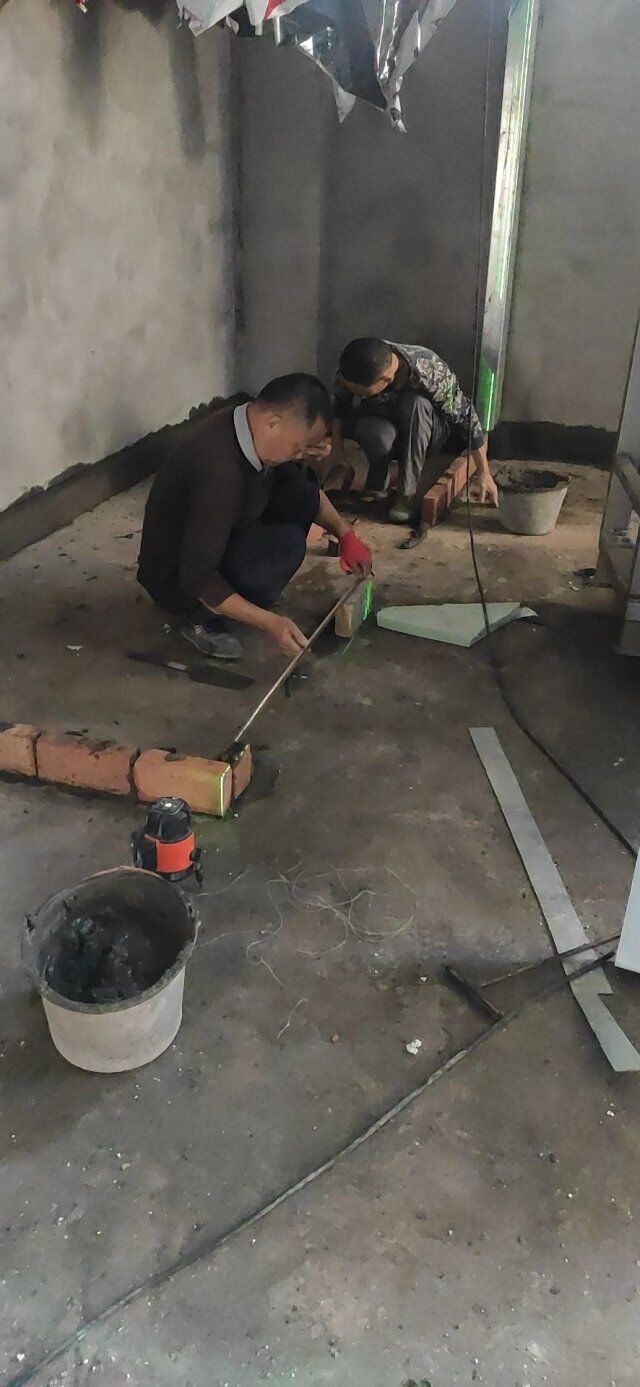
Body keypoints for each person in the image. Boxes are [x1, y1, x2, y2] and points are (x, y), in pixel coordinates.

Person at [137, 374, 373, 661]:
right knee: (286, 545)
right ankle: (201, 619)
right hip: (178, 580)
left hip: (220, 535)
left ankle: (247, 594)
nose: (300, 454)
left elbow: (305, 493)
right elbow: (196, 575)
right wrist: (269, 623)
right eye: (298, 446)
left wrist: (345, 535)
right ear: (273, 424)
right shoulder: (219, 471)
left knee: (300, 496)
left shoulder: (249, 425)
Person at [333, 337, 499, 524]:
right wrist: (337, 455)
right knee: (374, 432)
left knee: (415, 403)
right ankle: (377, 483)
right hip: (386, 424)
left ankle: (406, 494)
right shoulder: (355, 364)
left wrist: (484, 472)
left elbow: (467, 418)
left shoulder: (429, 370)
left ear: (386, 379)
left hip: (426, 431)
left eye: (361, 393)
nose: (357, 395)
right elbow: (338, 410)